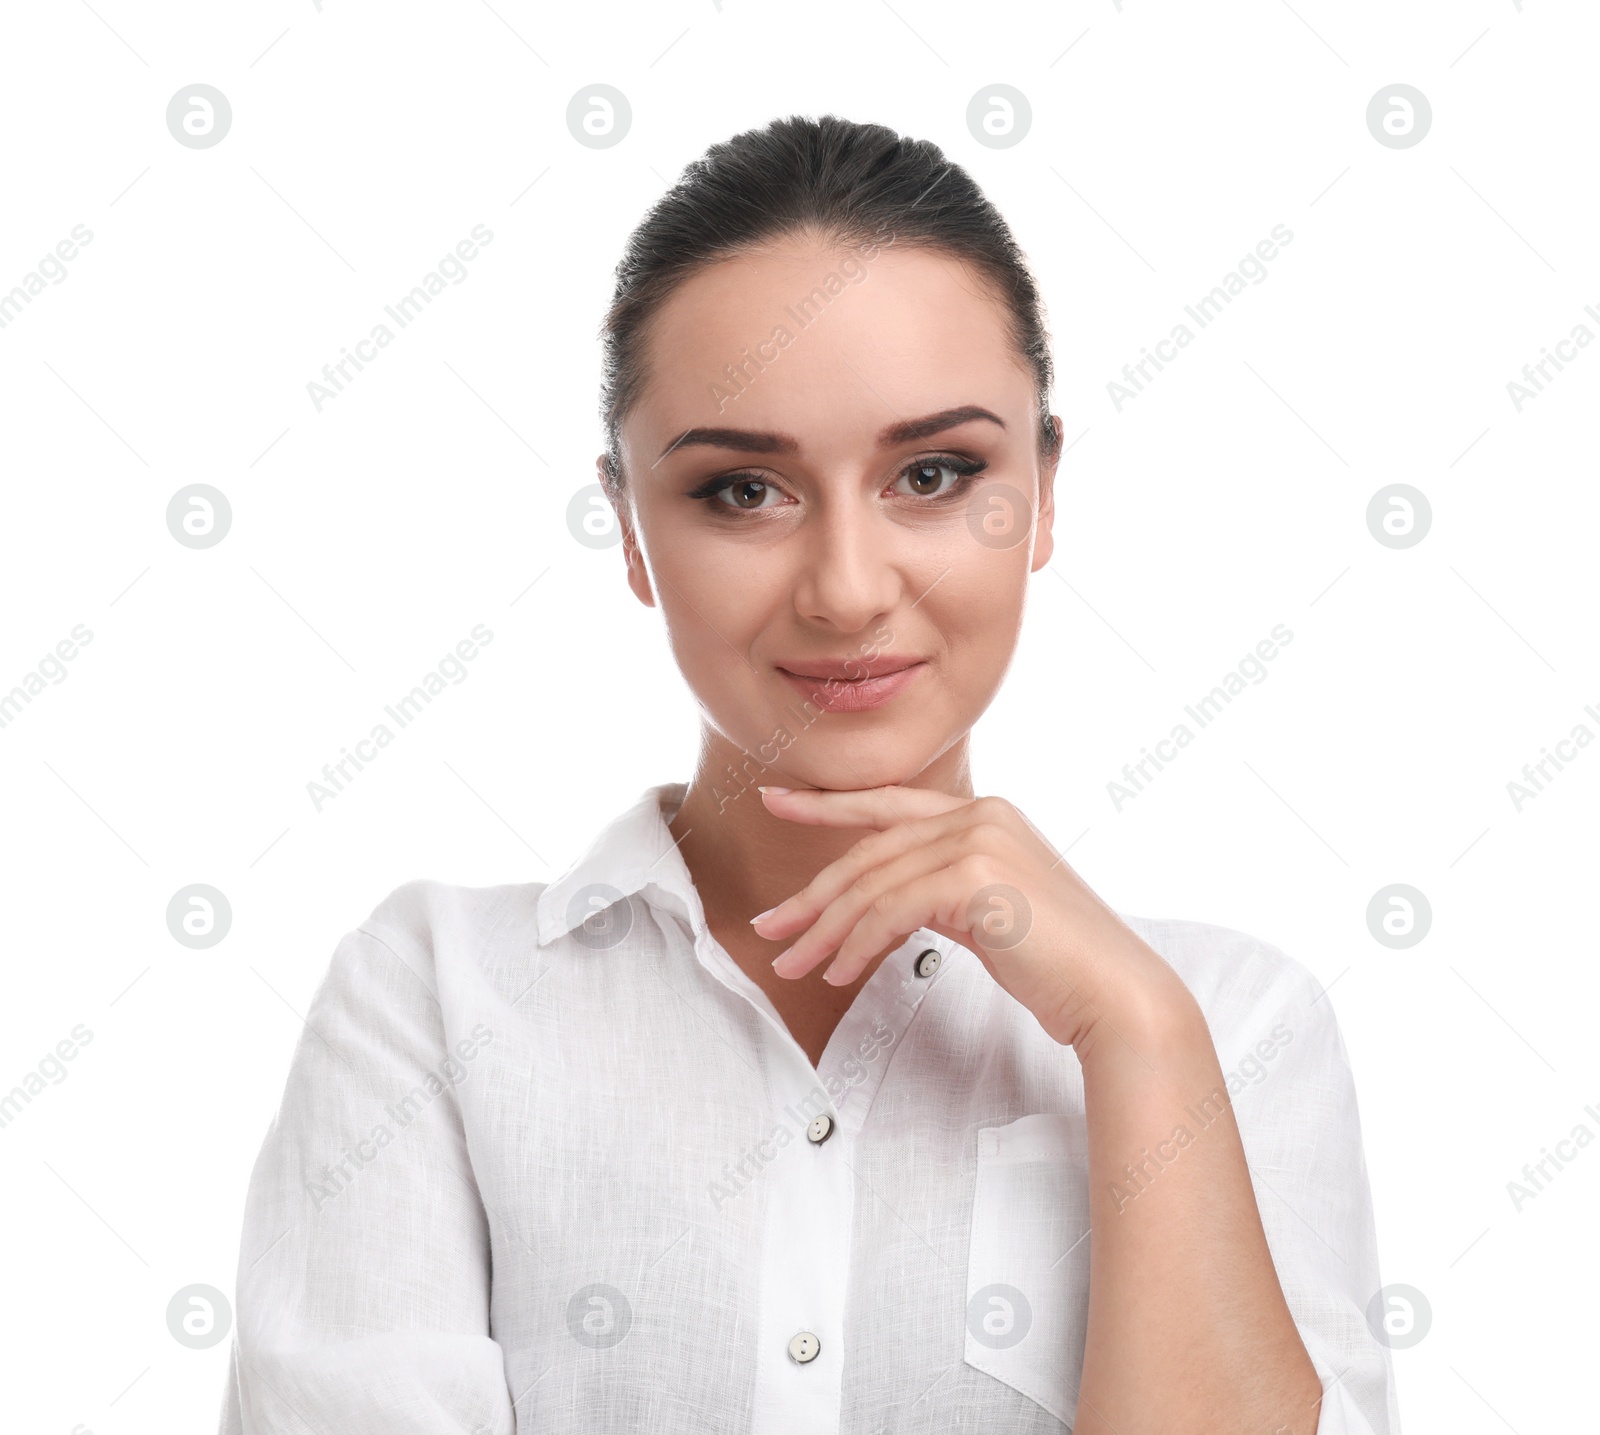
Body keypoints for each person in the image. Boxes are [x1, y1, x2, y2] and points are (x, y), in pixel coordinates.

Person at [220, 114, 1400, 1434]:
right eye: (741, 492)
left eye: (935, 473)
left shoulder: (1230, 1026)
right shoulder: (437, 1001)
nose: (846, 591)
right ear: (626, 527)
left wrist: (1136, 1036)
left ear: (1044, 494)